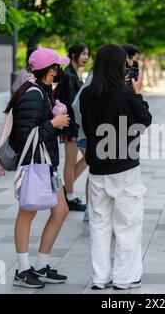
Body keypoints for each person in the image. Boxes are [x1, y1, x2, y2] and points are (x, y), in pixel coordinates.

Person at [80, 44, 152, 290]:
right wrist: (138, 94)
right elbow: (144, 120)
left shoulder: (88, 95)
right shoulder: (125, 93)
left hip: (98, 169)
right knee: (127, 224)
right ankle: (124, 277)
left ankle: (100, 277)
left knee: (99, 226)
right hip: (125, 167)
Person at [5, 48, 71, 289]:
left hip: (47, 164)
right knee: (27, 212)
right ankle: (23, 271)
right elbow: (26, 135)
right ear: (50, 69)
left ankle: (41, 265)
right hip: (35, 164)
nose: (59, 72)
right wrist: (54, 123)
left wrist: (55, 117)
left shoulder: (41, 91)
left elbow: (38, 126)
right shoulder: (33, 94)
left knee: (61, 211)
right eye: (57, 67)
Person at [56, 44, 90, 212]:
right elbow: (72, 103)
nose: (86, 57)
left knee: (85, 158)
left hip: (74, 125)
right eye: (83, 54)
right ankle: (68, 196)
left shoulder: (73, 74)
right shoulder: (69, 75)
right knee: (71, 160)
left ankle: (66, 190)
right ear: (74, 55)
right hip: (71, 125)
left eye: (87, 54)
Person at [72, 71, 93, 223]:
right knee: (94, 172)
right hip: (89, 135)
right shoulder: (95, 78)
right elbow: (76, 104)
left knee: (94, 172)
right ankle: (89, 209)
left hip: (99, 136)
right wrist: (88, 124)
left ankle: (90, 209)